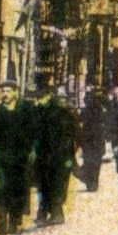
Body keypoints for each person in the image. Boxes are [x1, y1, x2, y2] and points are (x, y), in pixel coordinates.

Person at [0, 82, 36, 235]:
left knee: (18, 189)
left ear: (15, 93)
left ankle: (14, 222)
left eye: (8, 91)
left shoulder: (25, 109)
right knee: (2, 188)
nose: (5, 94)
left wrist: (32, 150)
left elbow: (34, 132)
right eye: (3, 91)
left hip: (20, 156)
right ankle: (2, 221)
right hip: (2, 155)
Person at [32, 86, 77, 225]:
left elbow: (68, 136)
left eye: (39, 98)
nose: (36, 101)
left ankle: (49, 214)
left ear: (48, 97)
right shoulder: (42, 111)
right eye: (36, 98)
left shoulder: (57, 113)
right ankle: (48, 214)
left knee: (53, 185)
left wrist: (60, 153)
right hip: (47, 156)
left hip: (57, 156)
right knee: (47, 185)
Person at [78, 87, 107, 192]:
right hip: (97, 139)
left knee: (89, 161)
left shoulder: (86, 111)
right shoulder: (101, 110)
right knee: (96, 163)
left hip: (88, 140)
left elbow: (81, 124)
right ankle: (93, 182)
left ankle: (90, 182)